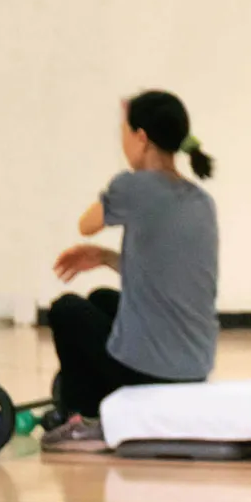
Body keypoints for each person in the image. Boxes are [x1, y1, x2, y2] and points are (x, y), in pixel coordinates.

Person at [44, 90, 220, 452]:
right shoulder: (201, 200)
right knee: (103, 298)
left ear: (141, 138)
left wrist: (121, 188)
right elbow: (169, 272)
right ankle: (103, 397)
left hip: (151, 370)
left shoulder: (133, 186)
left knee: (66, 310)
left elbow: (86, 223)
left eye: (124, 132)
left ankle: (82, 417)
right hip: (194, 365)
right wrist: (107, 258)